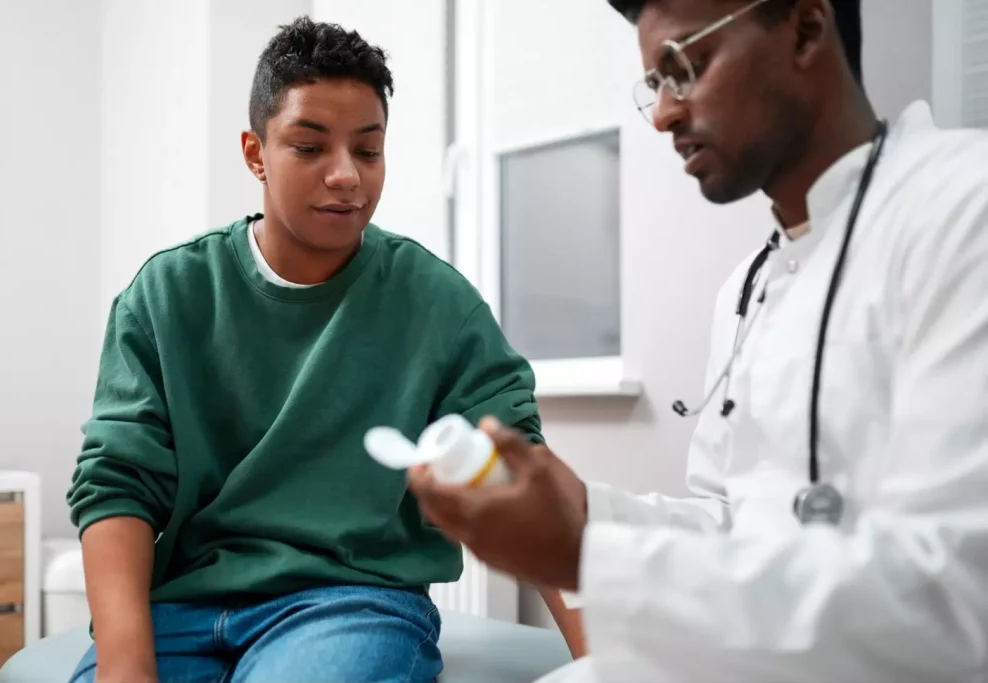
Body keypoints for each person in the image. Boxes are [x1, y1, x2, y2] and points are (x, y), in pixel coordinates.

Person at [407, 0, 988, 680]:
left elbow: (949, 602)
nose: (663, 115)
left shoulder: (963, 213)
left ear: (804, 27)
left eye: (685, 66)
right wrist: (585, 511)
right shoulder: (750, 287)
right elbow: (736, 523)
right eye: (655, 83)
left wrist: (585, 555)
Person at [66, 17, 554, 683]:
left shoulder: (434, 301)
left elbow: (523, 473)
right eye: (310, 147)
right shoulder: (169, 293)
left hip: (348, 602)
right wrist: (126, 666)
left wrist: (612, 660)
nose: (347, 176)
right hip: (179, 606)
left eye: (369, 150)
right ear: (255, 152)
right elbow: (117, 481)